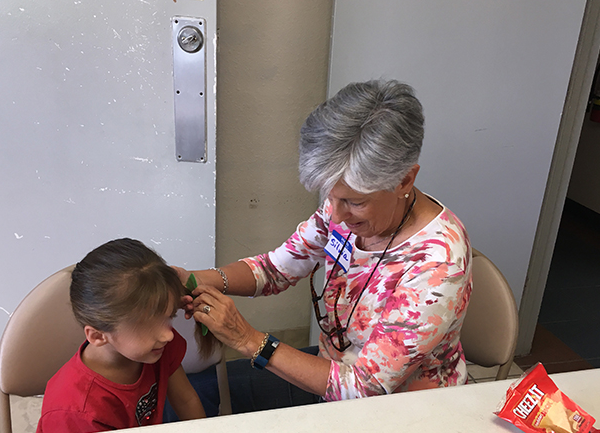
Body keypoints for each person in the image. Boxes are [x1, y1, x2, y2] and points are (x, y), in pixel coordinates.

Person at [178, 80, 472, 412]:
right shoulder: (342, 209)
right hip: (332, 372)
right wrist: (192, 279)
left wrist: (248, 340)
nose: (337, 214)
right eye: (330, 196)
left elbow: (363, 389)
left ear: (404, 179)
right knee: (198, 387)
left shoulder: (437, 265)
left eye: (354, 202)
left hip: (395, 410)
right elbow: (275, 269)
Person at [35, 238, 206, 433]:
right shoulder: (74, 411)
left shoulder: (156, 348)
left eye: (169, 317)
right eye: (147, 326)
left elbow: (186, 400)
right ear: (98, 336)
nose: (168, 334)